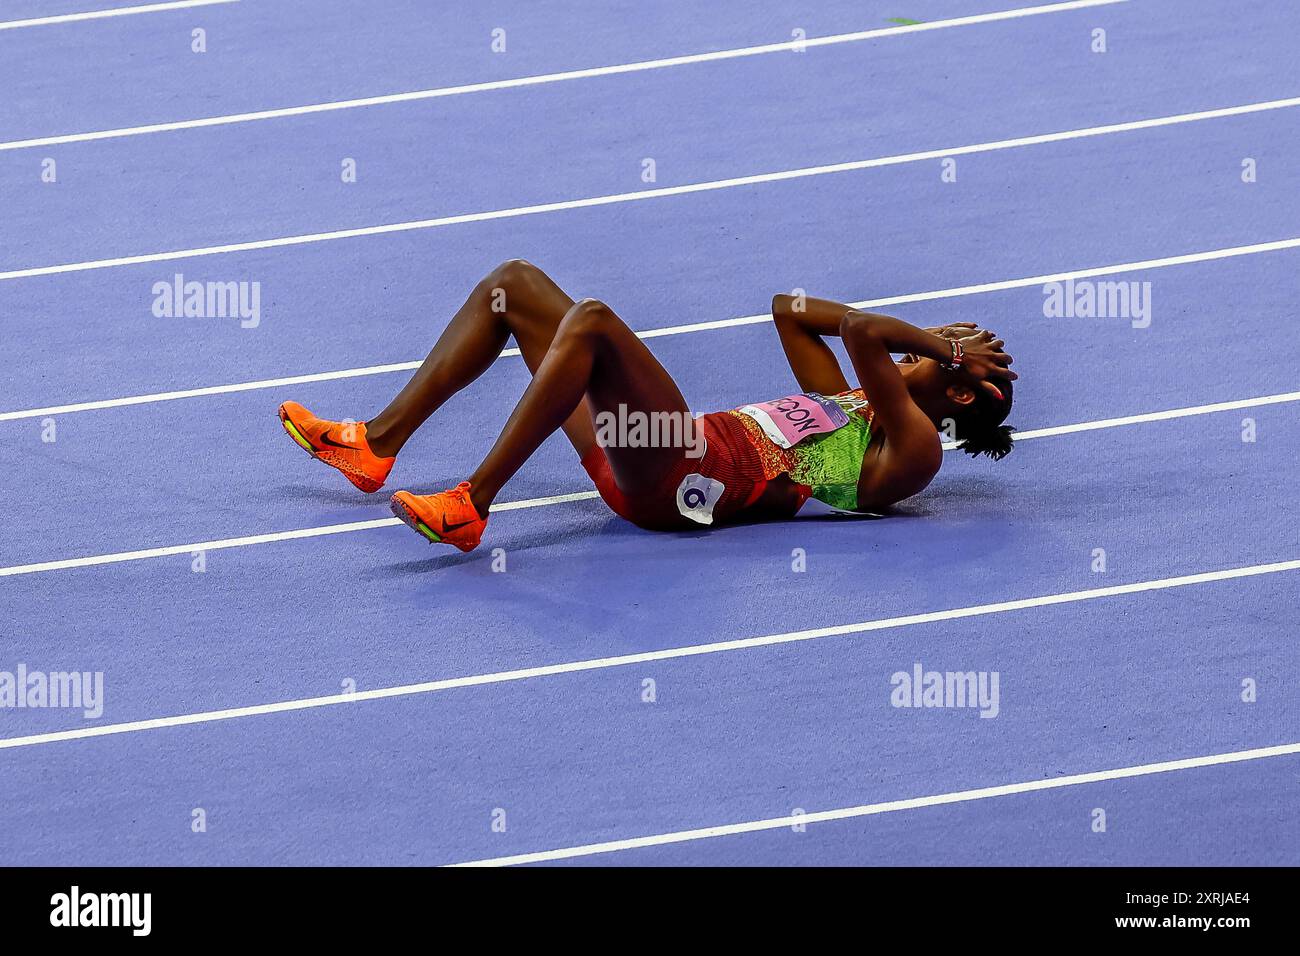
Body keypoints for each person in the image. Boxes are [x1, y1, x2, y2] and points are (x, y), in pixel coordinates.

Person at [278, 259, 1016, 552]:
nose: (916, 347)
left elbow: (859, 329)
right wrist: (943, 349)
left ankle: (474, 501)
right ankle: (374, 444)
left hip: (684, 482)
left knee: (593, 321)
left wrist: (952, 350)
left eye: (928, 353)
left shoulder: (911, 454)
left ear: (957, 390)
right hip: (650, 448)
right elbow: (788, 309)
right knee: (516, 287)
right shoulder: (849, 404)